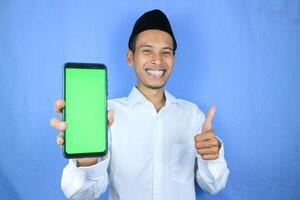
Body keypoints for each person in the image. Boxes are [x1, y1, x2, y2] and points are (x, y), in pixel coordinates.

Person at [50, 9, 229, 200]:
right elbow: (80, 195)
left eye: (166, 52)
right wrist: (87, 161)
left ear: (174, 60)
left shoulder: (193, 115)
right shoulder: (106, 116)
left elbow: (214, 186)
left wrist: (212, 156)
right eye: (147, 51)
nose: (158, 61)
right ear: (130, 58)